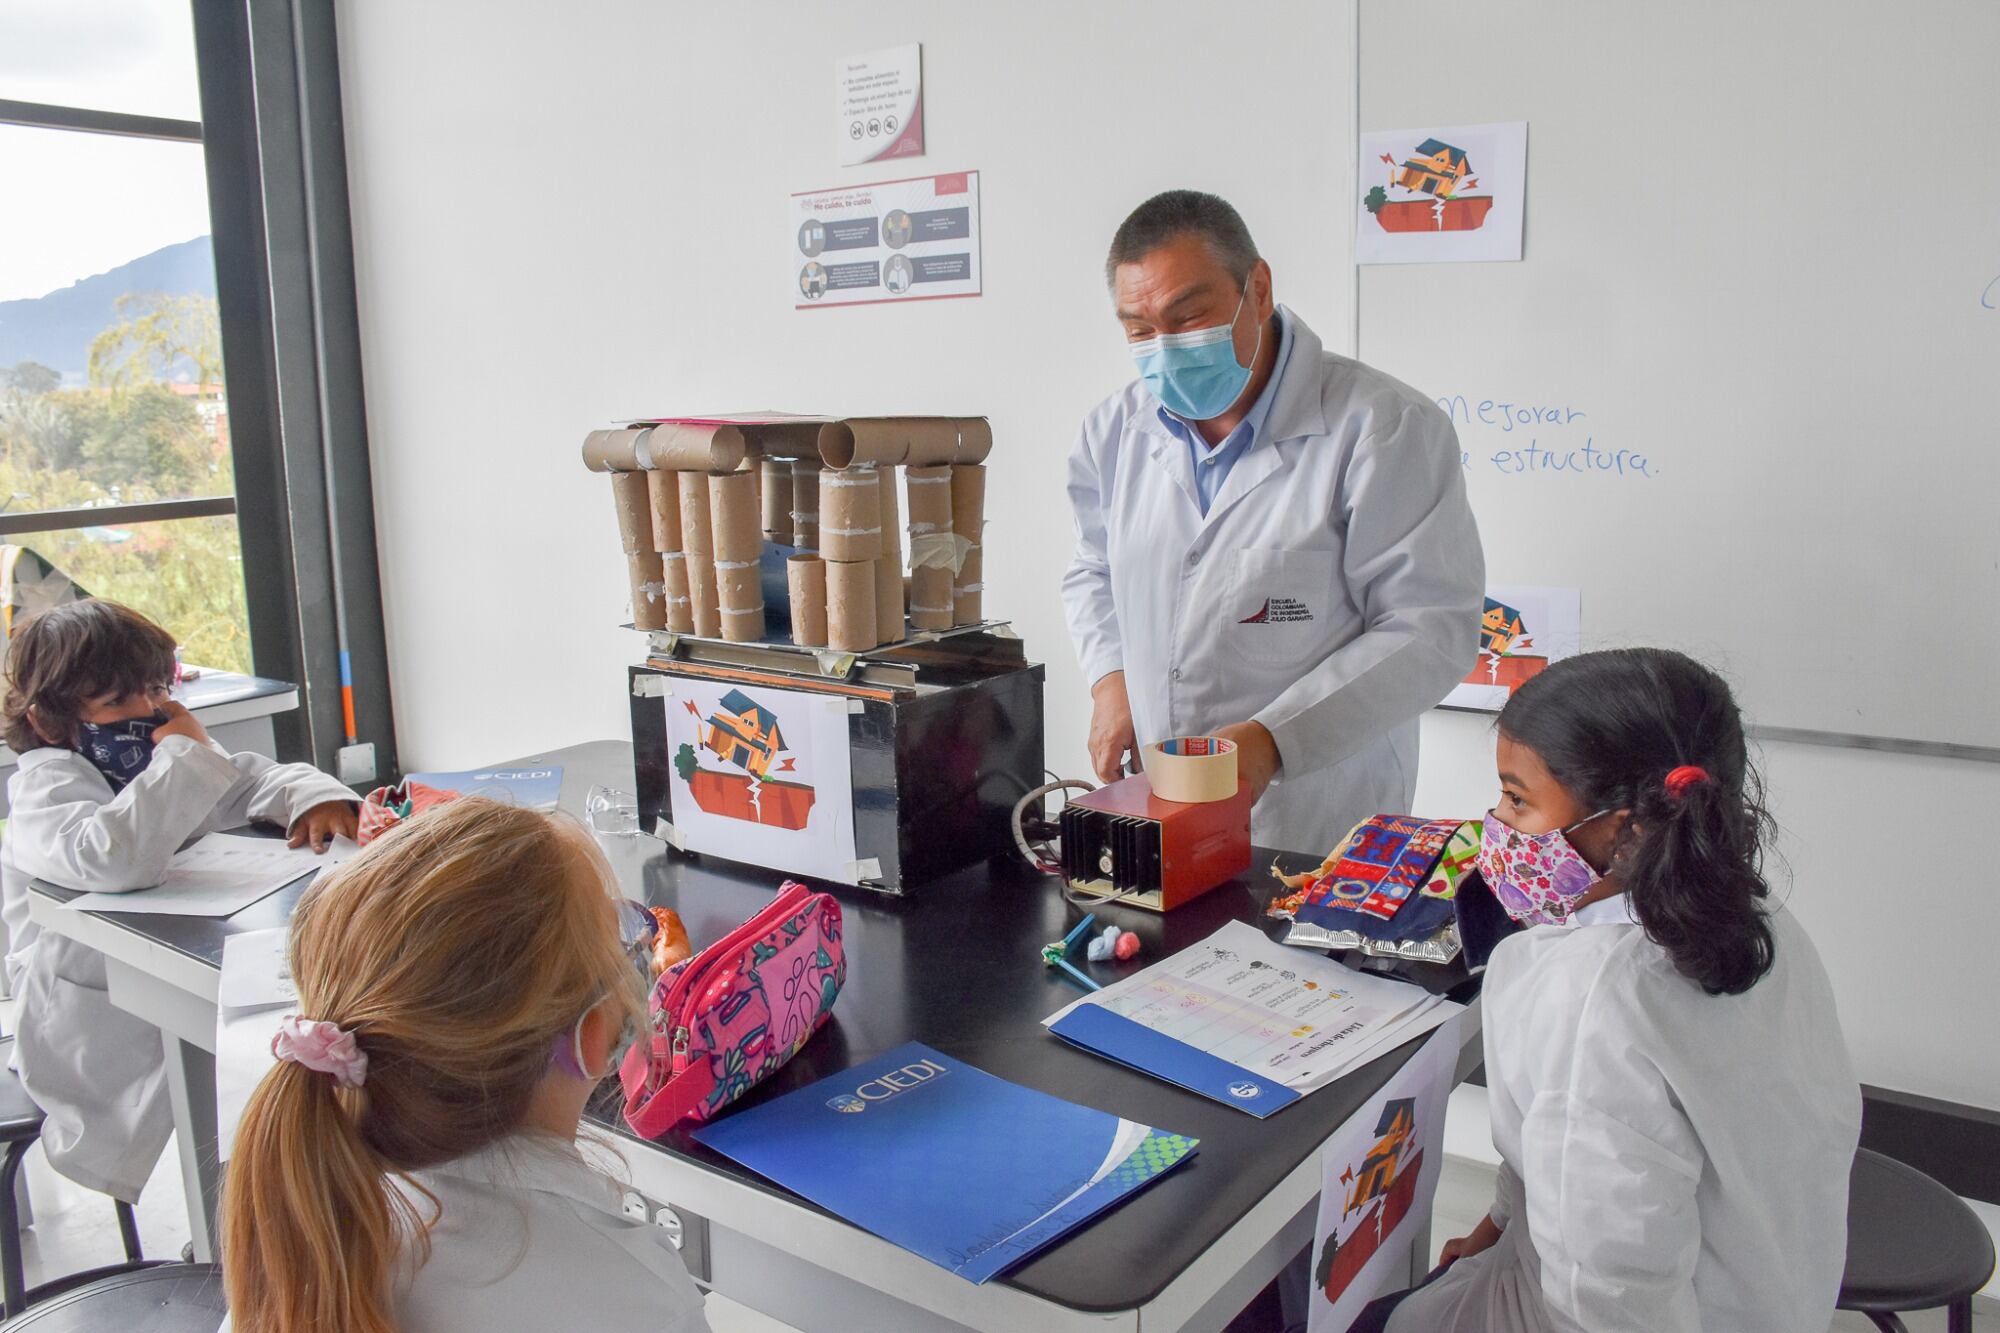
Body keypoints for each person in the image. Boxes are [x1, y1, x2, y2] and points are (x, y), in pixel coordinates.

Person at [1350, 648, 1860, 1333]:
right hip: (1769, 1290)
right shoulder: (1758, 920)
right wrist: (1499, 1222)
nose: (1496, 823)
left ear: (1626, 826)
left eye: (1518, 800)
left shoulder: (1593, 1004)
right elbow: (1566, 1146)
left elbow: (1613, 1300)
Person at [1064, 189, 1484, 854]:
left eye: (1189, 316)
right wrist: (1111, 682)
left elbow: (1430, 628)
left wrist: (1272, 740)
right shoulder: (1112, 432)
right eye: (1140, 331)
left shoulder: (1383, 428)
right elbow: (1092, 569)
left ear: (1257, 289)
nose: (1165, 351)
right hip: (1165, 801)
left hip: (1320, 816)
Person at [221, 798, 711, 1333]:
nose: (635, 951)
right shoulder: (636, 1292)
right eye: (620, 941)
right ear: (590, 1037)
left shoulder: (315, 1228)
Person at [0, 600, 356, 1204]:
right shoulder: (45, 788)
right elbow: (110, 858)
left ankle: (264, 1205)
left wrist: (315, 798)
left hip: (182, 966)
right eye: (116, 704)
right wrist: (185, 758)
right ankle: (224, 1229)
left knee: (275, 1068)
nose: (146, 712)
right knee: (228, 1101)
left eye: (155, 689)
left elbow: (252, 776)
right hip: (88, 1006)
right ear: (50, 722)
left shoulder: (156, 755)